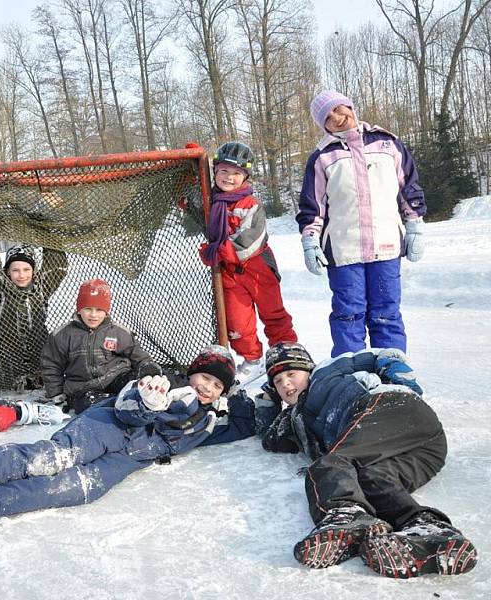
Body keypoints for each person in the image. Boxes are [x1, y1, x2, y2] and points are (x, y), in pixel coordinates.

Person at [0, 345, 264, 527]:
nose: (207, 386)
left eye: (217, 385)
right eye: (205, 377)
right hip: (108, 426)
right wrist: (150, 401)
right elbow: (127, 408)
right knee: (54, 458)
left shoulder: (204, 423)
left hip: (130, 457)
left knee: (79, 487)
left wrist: (241, 398)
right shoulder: (164, 383)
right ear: (194, 372)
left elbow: (243, 426)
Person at [257, 342, 477, 578]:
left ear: (308, 369)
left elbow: (379, 355)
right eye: (277, 382)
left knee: (330, 464)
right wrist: (267, 399)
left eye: (291, 374)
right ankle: (427, 531)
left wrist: (396, 372)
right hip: (425, 448)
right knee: (370, 478)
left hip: (391, 407)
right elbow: (272, 439)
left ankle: (347, 513)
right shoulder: (294, 419)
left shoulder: (327, 371)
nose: (286, 383)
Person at [298, 91, 426, 357]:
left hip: (386, 245)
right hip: (345, 252)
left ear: (349, 106)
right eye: (328, 117)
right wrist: (310, 241)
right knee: (348, 315)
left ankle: (392, 375)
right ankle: (352, 376)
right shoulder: (322, 157)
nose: (337, 118)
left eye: (338, 109)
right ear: (323, 125)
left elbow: (408, 187)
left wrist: (414, 224)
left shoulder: (388, 144)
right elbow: (313, 205)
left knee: (386, 313)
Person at [199, 141, 297, 385]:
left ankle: (286, 353)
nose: (229, 178)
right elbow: (186, 201)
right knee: (237, 322)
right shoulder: (209, 199)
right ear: (215, 171)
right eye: (223, 171)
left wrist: (216, 250)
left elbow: (249, 243)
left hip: (257, 269)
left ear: (245, 176)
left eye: (236, 173)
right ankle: (253, 360)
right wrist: (193, 164)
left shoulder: (251, 204)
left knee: (273, 313)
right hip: (229, 274)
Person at [41, 278, 162, 414]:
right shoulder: (62, 335)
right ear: (79, 309)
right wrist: (56, 393)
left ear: (106, 311)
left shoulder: (117, 332)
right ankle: (115, 404)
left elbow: (136, 353)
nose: (93, 315)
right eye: (88, 309)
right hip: (83, 387)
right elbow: (51, 365)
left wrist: (147, 367)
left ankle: (137, 399)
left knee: (134, 385)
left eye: (99, 310)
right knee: (87, 404)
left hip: (116, 377)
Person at [0, 242, 68, 391]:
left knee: (41, 384)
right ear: (7, 272)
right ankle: (14, 382)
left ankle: (40, 380)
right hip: (10, 351)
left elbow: (56, 267)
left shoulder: (42, 288)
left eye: (26, 269)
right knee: (16, 388)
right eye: (15, 270)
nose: (22, 275)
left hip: (39, 346)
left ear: (34, 270)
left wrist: (47, 237)